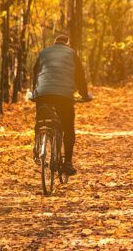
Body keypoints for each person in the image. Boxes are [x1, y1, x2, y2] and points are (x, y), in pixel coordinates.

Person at [31, 34, 92, 176]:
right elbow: (79, 76)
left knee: (42, 119)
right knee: (68, 128)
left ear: (55, 43)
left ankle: (37, 145)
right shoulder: (71, 53)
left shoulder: (44, 52)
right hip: (64, 96)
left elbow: (36, 72)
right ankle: (68, 163)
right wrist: (84, 95)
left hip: (43, 94)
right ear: (67, 43)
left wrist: (35, 92)